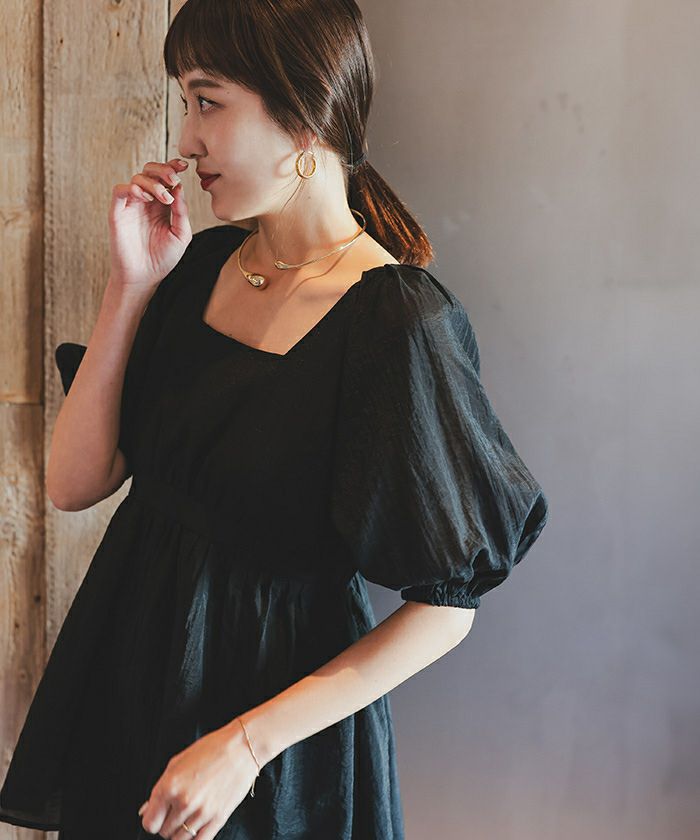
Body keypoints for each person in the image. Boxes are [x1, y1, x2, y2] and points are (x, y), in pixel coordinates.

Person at [0, 1, 549, 838]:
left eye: (207, 102)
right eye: (186, 103)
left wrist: (245, 746)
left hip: (268, 752)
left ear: (303, 112)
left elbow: (447, 607)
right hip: (130, 686)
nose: (187, 139)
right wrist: (131, 284)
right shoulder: (202, 266)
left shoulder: (395, 322)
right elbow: (75, 483)